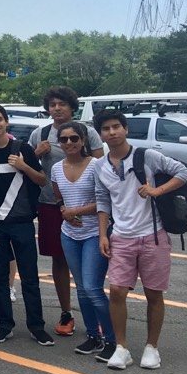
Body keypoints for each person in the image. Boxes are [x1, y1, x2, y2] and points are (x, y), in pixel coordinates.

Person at [94, 108, 187, 370]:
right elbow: (102, 200)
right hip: (121, 237)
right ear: (100, 134)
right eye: (106, 129)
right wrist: (103, 234)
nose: (112, 132)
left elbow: (184, 173)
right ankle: (121, 348)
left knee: (153, 293)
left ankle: (152, 347)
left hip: (153, 236)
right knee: (117, 291)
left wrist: (157, 190)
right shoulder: (99, 166)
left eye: (116, 126)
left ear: (125, 129)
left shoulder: (146, 155)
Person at [0, 103, 52, 345]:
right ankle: (4, 325)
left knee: (30, 277)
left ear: (6, 121)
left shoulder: (23, 149)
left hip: (23, 222)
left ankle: (37, 326)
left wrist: (23, 166)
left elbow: (41, 180)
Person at [30, 87, 104, 338]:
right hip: (51, 204)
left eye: (62, 104)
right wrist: (36, 153)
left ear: (72, 106)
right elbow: (27, 166)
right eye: (52, 104)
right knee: (59, 259)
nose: (57, 108)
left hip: (86, 205)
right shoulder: (39, 134)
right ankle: (66, 312)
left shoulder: (88, 132)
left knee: (90, 262)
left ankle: (96, 313)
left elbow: (101, 166)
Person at [48, 121, 114, 359]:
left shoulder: (97, 165)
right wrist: (65, 211)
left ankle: (112, 339)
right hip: (69, 234)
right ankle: (93, 336)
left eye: (74, 138)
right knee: (82, 290)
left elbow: (105, 200)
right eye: (64, 139)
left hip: (95, 233)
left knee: (93, 288)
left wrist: (75, 211)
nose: (69, 143)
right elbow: (59, 198)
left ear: (83, 141)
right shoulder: (56, 168)